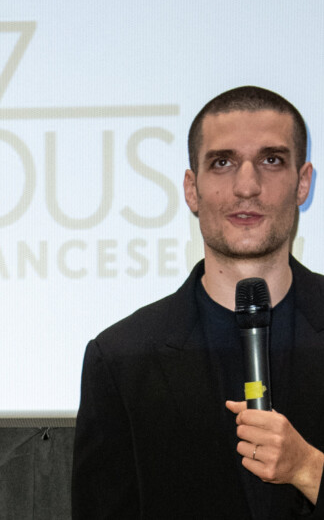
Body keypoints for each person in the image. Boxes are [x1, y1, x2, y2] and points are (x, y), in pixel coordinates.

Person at [72, 86, 324, 519]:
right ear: (192, 189)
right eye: (223, 163)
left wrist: (308, 468)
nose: (247, 186)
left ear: (303, 182)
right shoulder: (121, 358)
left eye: (271, 160)